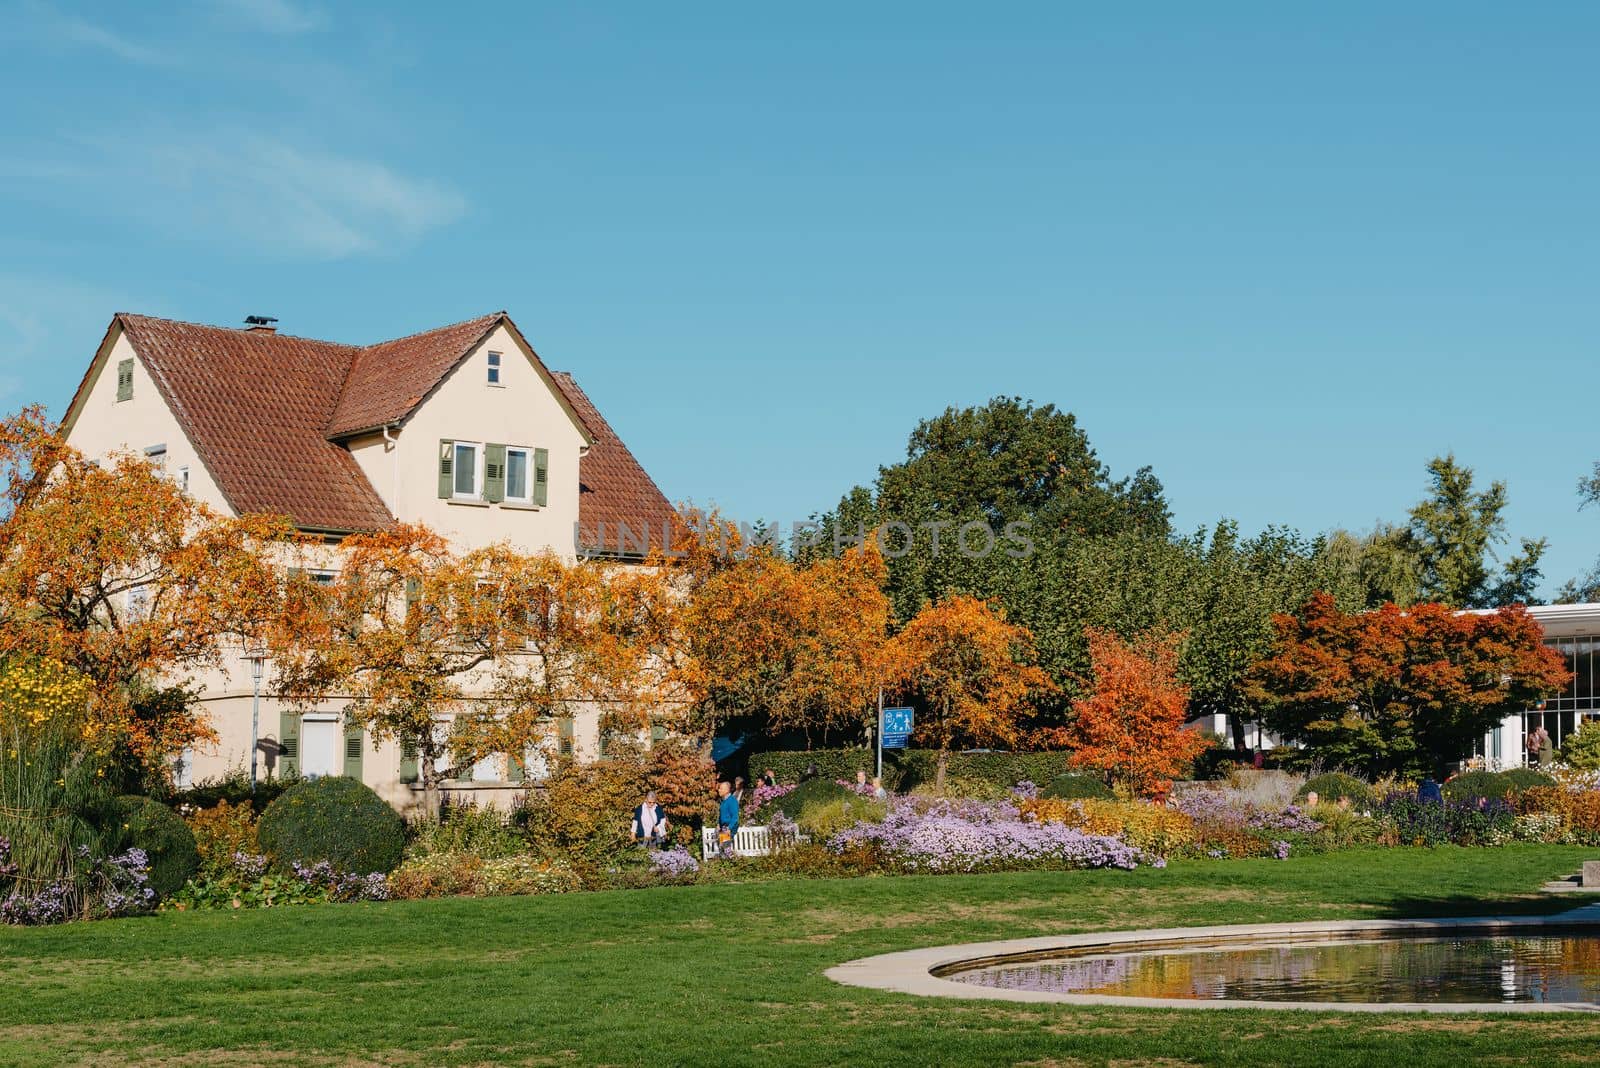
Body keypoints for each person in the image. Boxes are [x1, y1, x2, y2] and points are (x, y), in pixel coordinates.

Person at [716, 780, 740, 858]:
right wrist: (718, 824)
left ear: (727, 790)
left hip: (729, 827)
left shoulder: (732, 801)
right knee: (722, 848)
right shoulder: (723, 801)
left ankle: (733, 862)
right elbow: (721, 815)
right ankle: (725, 866)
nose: (719, 790)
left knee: (726, 848)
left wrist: (729, 828)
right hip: (724, 826)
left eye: (720, 788)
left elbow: (735, 817)